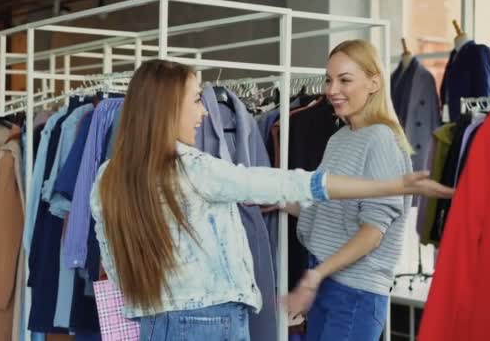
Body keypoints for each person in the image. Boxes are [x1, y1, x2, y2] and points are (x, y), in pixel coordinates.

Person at [89, 59, 452, 341]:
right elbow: (292, 183)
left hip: (154, 322)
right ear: (166, 108)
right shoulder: (193, 169)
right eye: (197, 99)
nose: (203, 111)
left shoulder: (108, 176)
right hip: (209, 320)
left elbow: (116, 265)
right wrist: (389, 185)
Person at [283, 39, 421, 341]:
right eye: (329, 79)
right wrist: (277, 200)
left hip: (355, 292)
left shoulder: (381, 140)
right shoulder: (341, 138)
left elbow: (372, 232)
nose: (332, 90)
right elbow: (325, 207)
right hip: (326, 282)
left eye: (345, 80)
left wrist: (316, 276)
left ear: (374, 83)